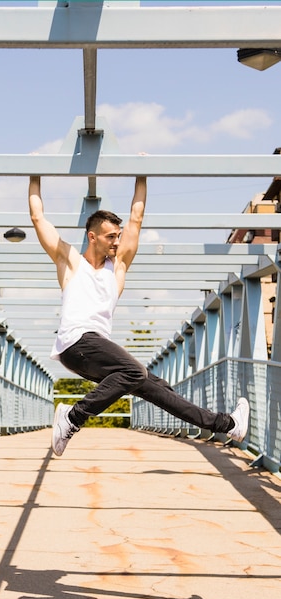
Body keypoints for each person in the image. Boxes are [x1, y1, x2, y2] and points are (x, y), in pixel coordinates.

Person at [28, 175, 249, 456]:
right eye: (110, 237)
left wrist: (141, 175)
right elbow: (37, 217)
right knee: (134, 371)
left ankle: (228, 425)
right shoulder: (70, 262)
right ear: (92, 236)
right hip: (76, 343)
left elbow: (137, 217)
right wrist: (35, 175)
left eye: (118, 237)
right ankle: (73, 418)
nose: (117, 242)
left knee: (160, 390)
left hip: (92, 352)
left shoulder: (117, 267)